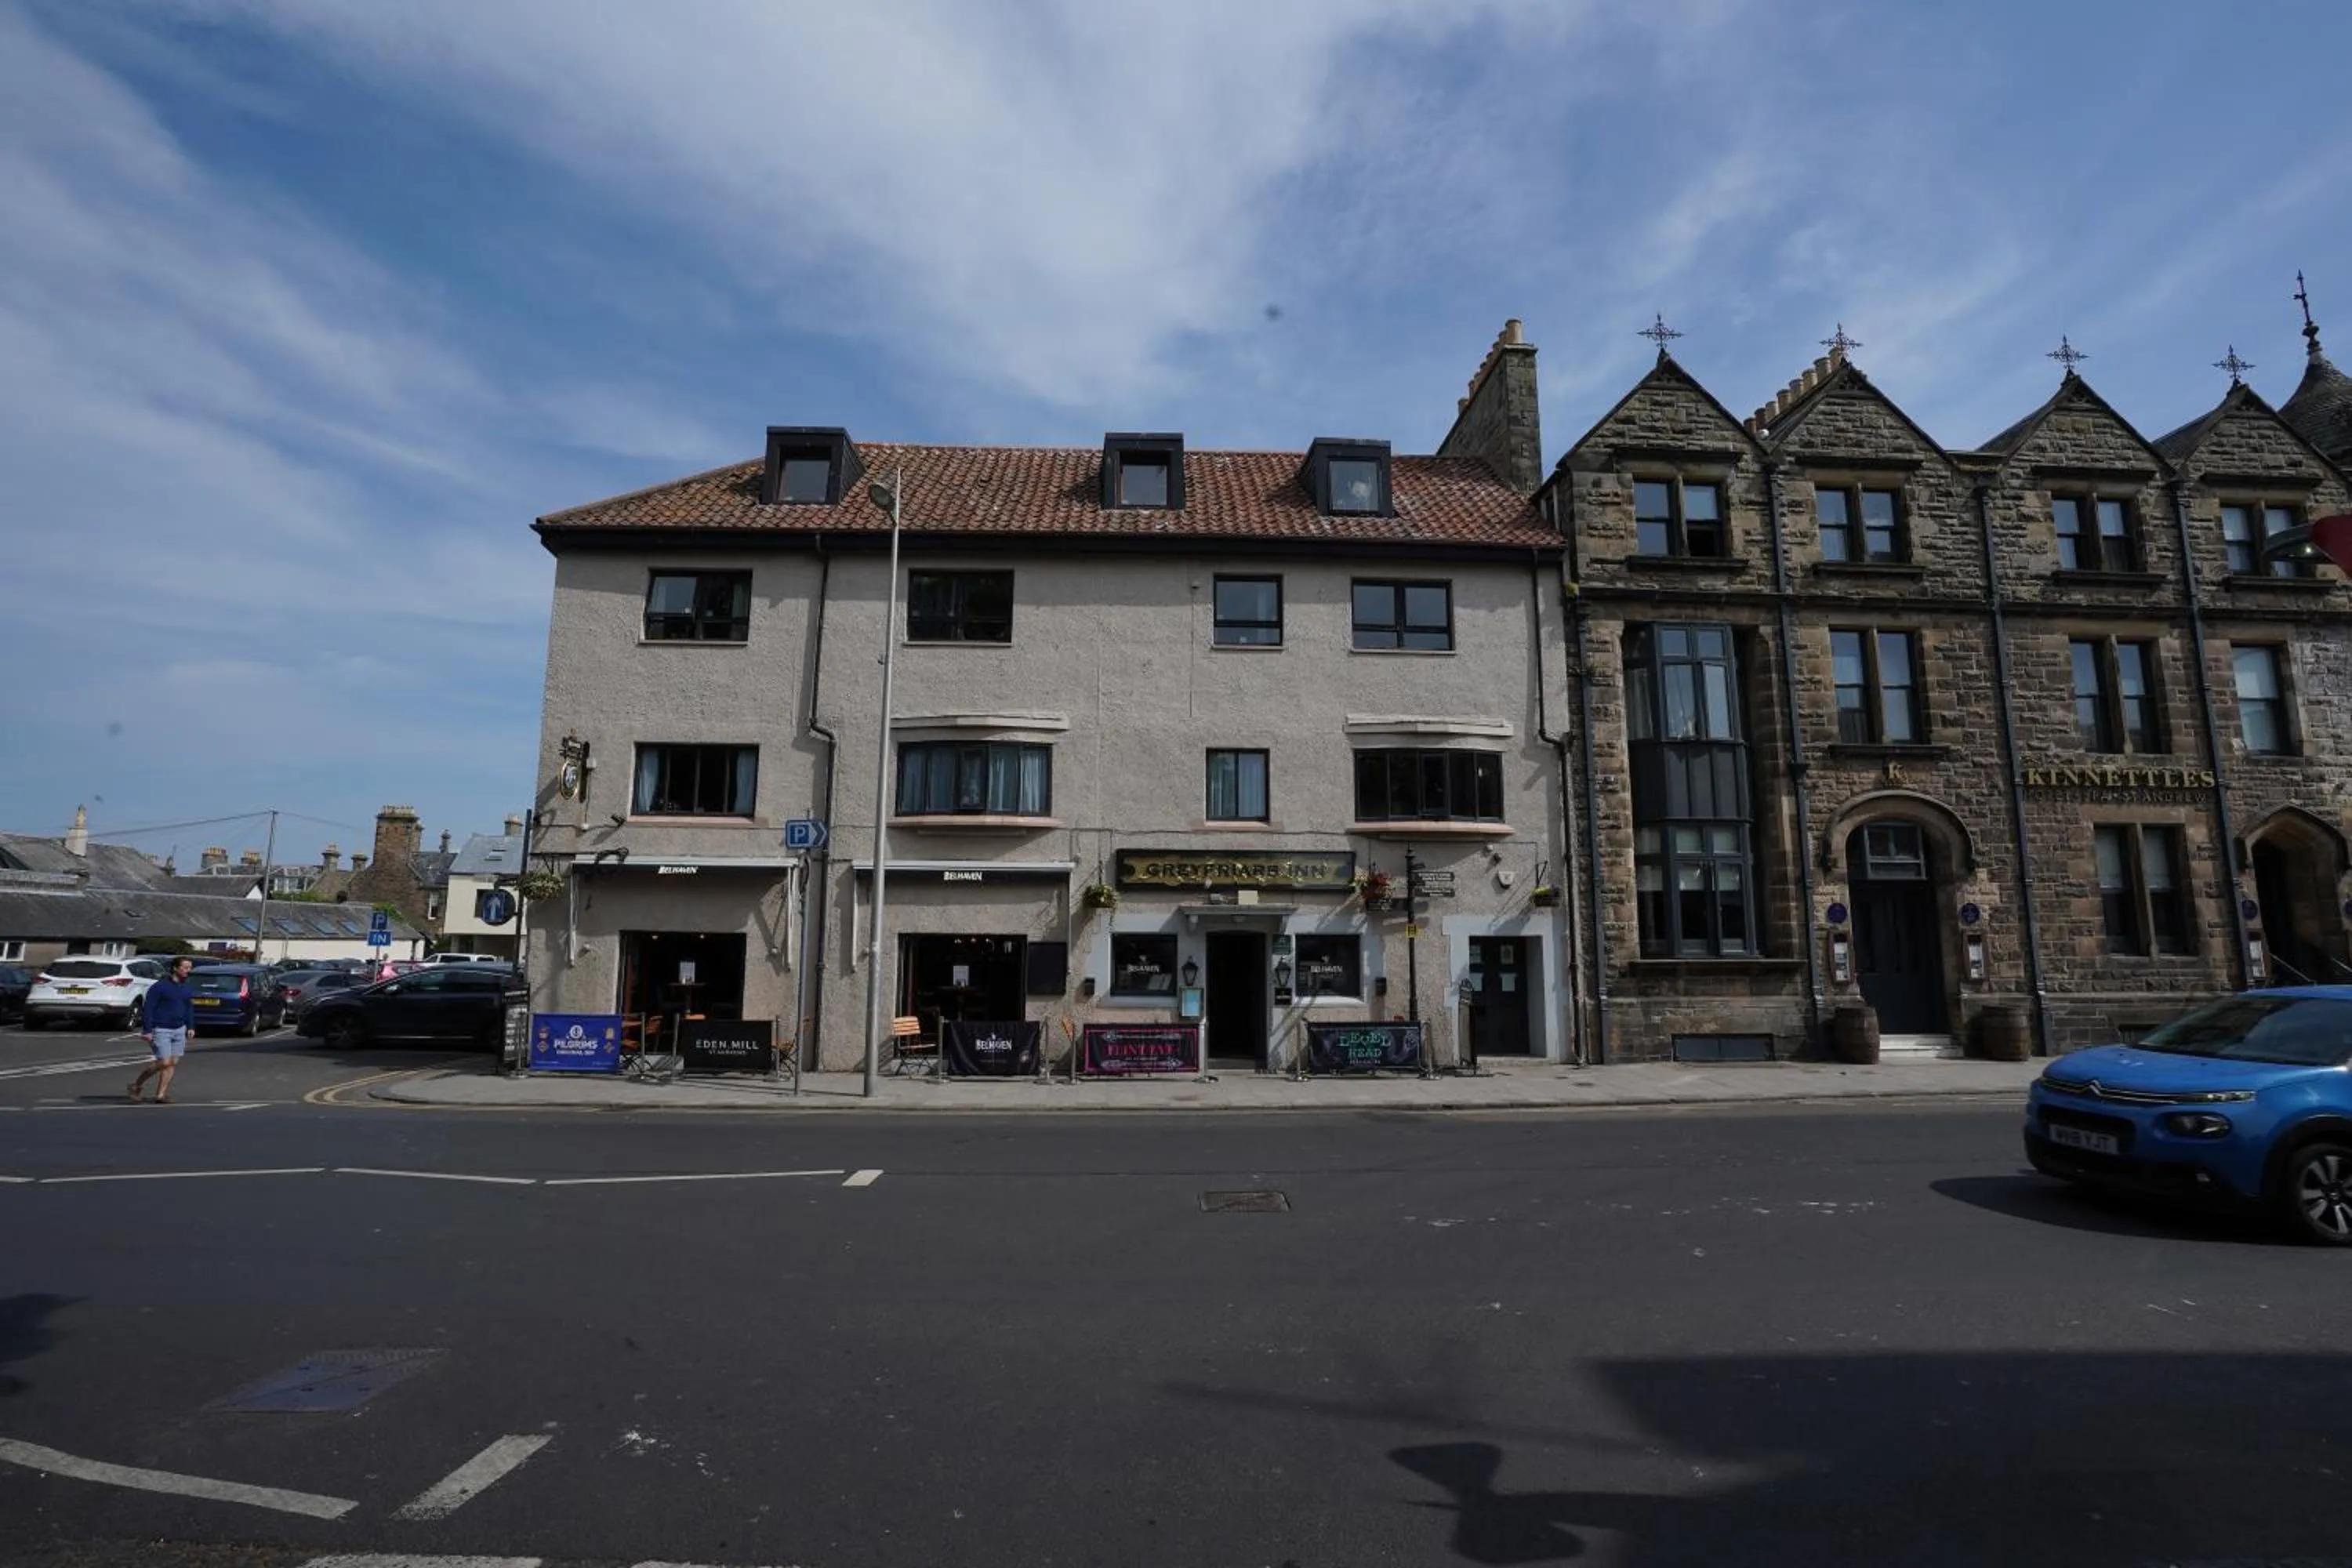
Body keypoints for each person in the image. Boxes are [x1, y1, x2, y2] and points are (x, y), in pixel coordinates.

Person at [130, 956, 198, 1104]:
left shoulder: (186, 987)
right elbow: (148, 1008)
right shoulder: (159, 987)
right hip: (160, 1029)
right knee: (164, 1062)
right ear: (175, 968)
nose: (188, 970)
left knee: (172, 1062)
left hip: (180, 1029)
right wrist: (147, 1030)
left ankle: (160, 1095)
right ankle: (136, 1085)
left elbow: (188, 1007)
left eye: (190, 967)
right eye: (185, 967)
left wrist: (191, 1026)